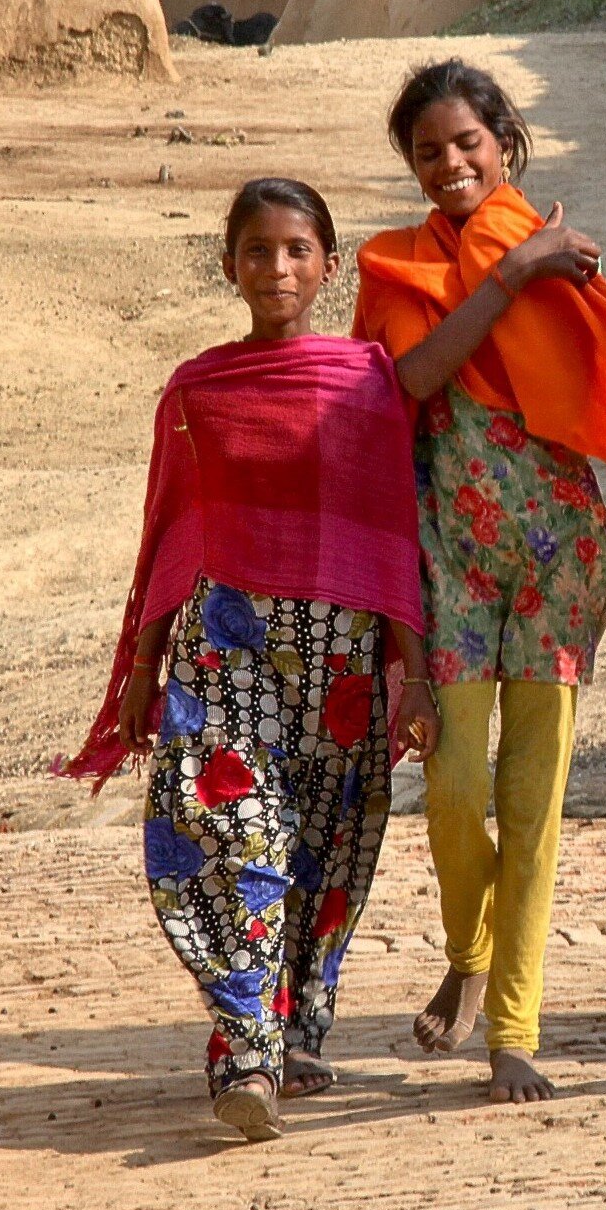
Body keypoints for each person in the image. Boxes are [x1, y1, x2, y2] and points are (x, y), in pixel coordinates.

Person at [354, 60, 606, 1106]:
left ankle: (513, 1026)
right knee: (452, 790)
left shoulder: (562, 253)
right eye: (426, 151)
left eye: (465, 143)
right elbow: (413, 380)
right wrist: (515, 269)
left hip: (559, 550)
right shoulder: (394, 265)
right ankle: (468, 948)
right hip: (449, 556)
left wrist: (533, 260)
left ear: (504, 138)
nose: (448, 165)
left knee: (532, 801)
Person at [67, 178, 450, 1142]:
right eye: (255, 251)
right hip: (224, 644)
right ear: (229, 264)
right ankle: (247, 1050)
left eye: (295, 250)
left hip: (346, 660)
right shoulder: (199, 390)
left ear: (328, 261)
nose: (275, 268)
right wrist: (143, 671)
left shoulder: (368, 380)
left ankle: (292, 1025)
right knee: (229, 829)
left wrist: (418, 671)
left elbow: (391, 528)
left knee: (324, 847)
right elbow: (172, 529)